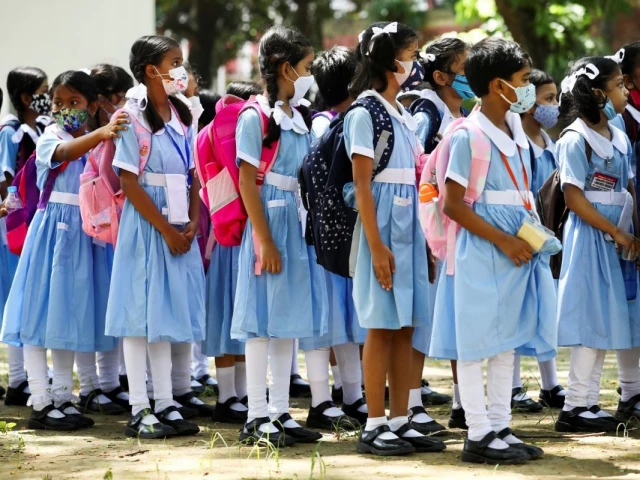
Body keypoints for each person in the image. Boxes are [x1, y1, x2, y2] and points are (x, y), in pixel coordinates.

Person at [430, 37, 556, 464]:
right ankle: (478, 432)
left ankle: (500, 426)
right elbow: (452, 204)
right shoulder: (468, 136)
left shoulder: (515, 132)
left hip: (516, 246)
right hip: (483, 249)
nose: (527, 89)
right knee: (475, 341)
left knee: (506, 341)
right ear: (499, 85)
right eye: (522, 81)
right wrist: (502, 239)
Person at [1, 70, 128, 430]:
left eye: (74, 102)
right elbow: (63, 152)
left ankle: (62, 397)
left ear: (90, 105)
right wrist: (100, 132)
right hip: (52, 236)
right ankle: (40, 400)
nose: (64, 109)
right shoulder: (50, 136)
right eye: (59, 102)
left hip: (83, 236)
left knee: (68, 316)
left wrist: (106, 132)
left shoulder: (99, 141)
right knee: (39, 315)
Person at [346, 21, 446, 457]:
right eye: (411, 52)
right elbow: (363, 185)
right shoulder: (363, 113)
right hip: (381, 228)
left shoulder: (402, 113)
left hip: (409, 227)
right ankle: (373, 422)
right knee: (380, 326)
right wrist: (375, 245)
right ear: (389, 59)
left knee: (406, 324)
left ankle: (402, 418)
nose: (415, 61)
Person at [105, 35, 205, 439]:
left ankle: (165, 401)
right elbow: (129, 181)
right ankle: (140, 406)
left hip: (181, 220)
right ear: (151, 69)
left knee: (165, 313)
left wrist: (194, 220)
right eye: (175, 61)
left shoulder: (182, 113)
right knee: (139, 314)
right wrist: (164, 229)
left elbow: (192, 172)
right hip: (149, 226)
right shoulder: (132, 116)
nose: (182, 69)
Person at [230, 25, 326, 447]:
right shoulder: (254, 116)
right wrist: (264, 240)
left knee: (286, 317)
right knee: (261, 322)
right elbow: (246, 180)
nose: (310, 75)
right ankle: (255, 415)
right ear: (287, 68)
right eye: (306, 67)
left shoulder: (297, 117)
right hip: (268, 221)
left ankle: (281, 412)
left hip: (294, 221)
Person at [555, 54, 640, 432]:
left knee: (605, 316)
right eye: (619, 84)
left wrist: (629, 228)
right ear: (597, 93)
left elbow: (627, 184)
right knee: (591, 316)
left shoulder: (617, 134)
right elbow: (573, 197)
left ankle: (589, 402)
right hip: (592, 237)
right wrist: (616, 231)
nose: (625, 90)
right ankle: (574, 405)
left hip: (618, 237)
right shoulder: (575, 138)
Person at [299, 46, 368, 431]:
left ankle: (353, 395)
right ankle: (321, 400)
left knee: (347, 317)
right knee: (325, 319)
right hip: (325, 237)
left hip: (344, 234)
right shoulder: (326, 124)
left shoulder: (344, 119)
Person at [410, 37, 473, 433]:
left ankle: (463, 402)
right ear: (441, 75)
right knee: (420, 316)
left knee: (455, 313)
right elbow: (415, 163)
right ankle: (412, 402)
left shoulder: (464, 113)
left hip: (452, 233)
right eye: (464, 68)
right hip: (428, 230)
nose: (470, 76)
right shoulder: (428, 111)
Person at [74, 64, 135, 416]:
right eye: (122, 97)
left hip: (110, 233)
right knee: (87, 309)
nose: (125, 103)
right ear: (104, 100)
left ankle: (110, 383)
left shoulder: (115, 133)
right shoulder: (83, 133)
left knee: (108, 309)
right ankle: (89, 384)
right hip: (84, 233)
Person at [201, 80, 261, 423]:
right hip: (229, 238)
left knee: (236, 317)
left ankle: (237, 393)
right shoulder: (220, 134)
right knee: (227, 314)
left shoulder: (212, 133)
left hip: (231, 236)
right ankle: (227, 396)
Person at [515, 68, 566, 411]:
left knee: (544, 306)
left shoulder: (551, 145)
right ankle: (514, 387)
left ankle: (550, 384)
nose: (555, 106)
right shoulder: (517, 143)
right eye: (549, 99)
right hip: (522, 235)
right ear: (529, 104)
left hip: (546, 237)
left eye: (556, 98)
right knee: (518, 308)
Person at [0, 67, 50, 407]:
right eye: (43, 90)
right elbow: (6, 180)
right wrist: (16, 210)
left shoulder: (42, 129)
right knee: (17, 297)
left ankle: (28, 377)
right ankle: (19, 379)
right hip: (15, 226)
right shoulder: (12, 132)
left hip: (35, 221)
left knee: (31, 297)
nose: (47, 97)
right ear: (25, 96)